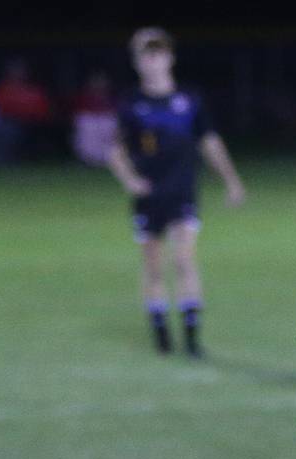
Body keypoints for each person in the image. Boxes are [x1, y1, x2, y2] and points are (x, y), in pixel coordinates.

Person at [108, 27, 246, 359]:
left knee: (183, 259)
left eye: (158, 53)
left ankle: (192, 337)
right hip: (149, 198)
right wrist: (131, 181)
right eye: (146, 54)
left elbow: (210, 142)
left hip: (182, 193)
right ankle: (161, 335)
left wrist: (231, 180)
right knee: (154, 266)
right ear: (137, 61)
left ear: (169, 57)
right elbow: (115, 151)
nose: (153, 60)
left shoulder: (189, 101)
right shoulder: (132, 104)